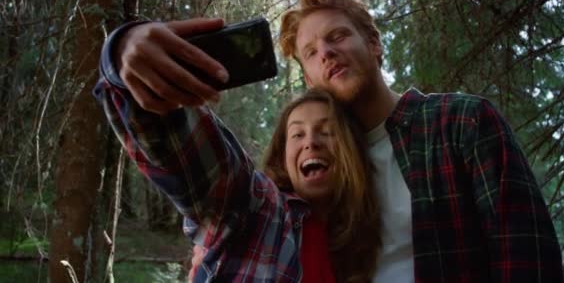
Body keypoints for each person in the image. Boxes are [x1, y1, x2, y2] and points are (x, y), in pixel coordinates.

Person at [98, 0, 564, 281]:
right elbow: (188, 155)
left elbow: (526, 258)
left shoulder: (460, 123)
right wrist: (123, 51)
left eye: (338, 36)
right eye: (310, 51)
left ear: (375, 44)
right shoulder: (301, 195)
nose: (326, 53)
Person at [94, 75, 382, 281]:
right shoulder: (259, 207)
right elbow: (185, 145)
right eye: (297, 133)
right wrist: (136, 70)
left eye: (326, 131)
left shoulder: (355, 250)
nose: (311, 142)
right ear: (283, 156)